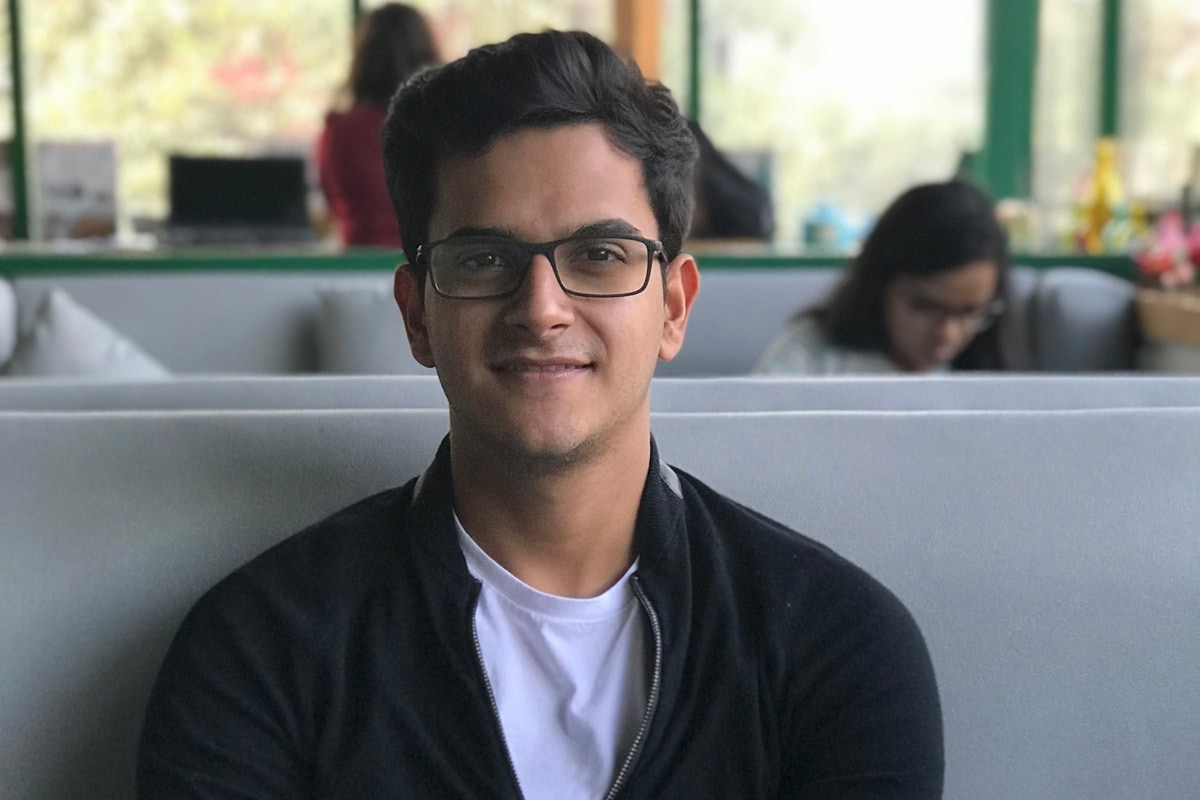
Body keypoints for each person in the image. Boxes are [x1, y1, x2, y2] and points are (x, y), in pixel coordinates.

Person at [138, 30, 943, 798]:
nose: (542, 309)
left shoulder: (838, 647)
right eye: (484, 259)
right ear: (417, 316)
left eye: (599, 255)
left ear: (672, 307)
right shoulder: (261, 649)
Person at [756, 179, 1011, 375]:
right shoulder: (810, 356)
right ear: (880, 285)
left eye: (970, 312)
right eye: (926, 307)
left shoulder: (985, 375)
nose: (948, 334)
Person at [316, 3, 439, 247]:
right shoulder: (441, 124)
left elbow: (331, 204)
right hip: (426, 259)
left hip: (360, 261)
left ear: (363, 57)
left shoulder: (340, 130)